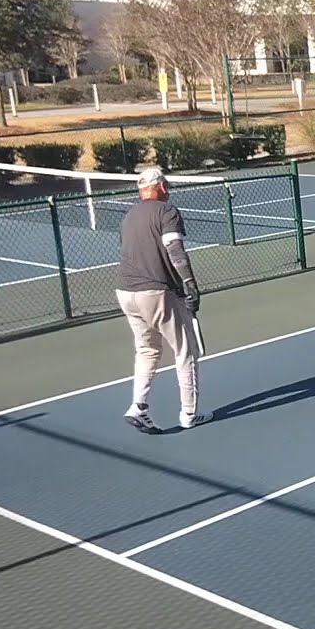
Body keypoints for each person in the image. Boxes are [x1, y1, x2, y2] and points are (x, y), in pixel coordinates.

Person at [115, 167, 211, 433]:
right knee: (185, 351)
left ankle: (138, 406)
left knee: (147, 350)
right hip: (155, 292)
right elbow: (174, 250)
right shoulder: (167, 212)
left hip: (126, 293)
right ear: (158, 187)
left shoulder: (128, 217)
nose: (168, 189)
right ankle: (190, 413)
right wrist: (190, 284)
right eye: (165, 185)